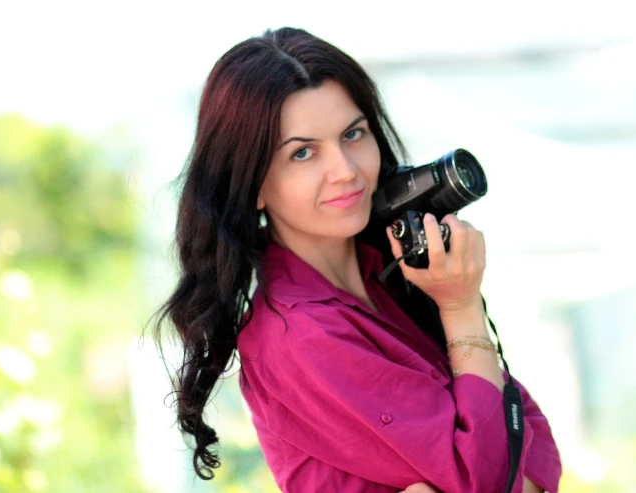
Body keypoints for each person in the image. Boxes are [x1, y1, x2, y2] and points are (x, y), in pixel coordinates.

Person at [155, 27, 561, 492]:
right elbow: (486, 477)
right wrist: (461, 309)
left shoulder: (392, 276)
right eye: (303, 153)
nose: (346, 171)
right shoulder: (300, 334)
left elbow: (539, 448)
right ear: (253, 185)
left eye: (353, 134)